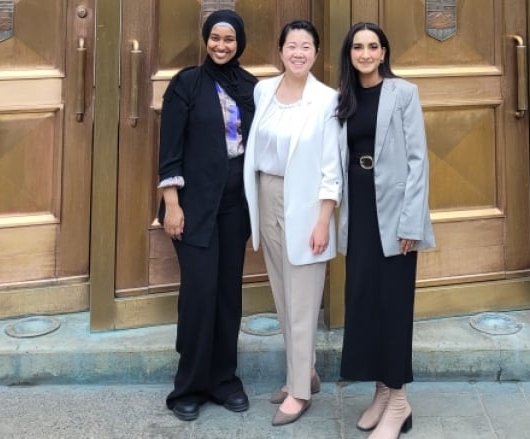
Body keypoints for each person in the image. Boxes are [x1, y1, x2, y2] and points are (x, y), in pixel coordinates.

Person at [335, 22, 436, 439]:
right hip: (357, 211)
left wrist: (412, 221)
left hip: (396, 214)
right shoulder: (342, 98)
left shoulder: (403, 93)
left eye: (372, 46)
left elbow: (418, 160)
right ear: (350, 53)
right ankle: (381, 391)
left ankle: (399, 401)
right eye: (357, 47)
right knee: (365, 303)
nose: (365, 53)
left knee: (393, 306)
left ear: (383, 52)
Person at [157, 9, 257, 422]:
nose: (221, 46)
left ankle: (224, 381)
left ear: (240, 43)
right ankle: (190, 386)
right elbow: (169, 148)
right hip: (194, 205)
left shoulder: (252, 87)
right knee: (199, 295)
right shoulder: (186, 84)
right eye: (215, 38)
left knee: (227, 294)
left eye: (229, 39)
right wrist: (172, 203)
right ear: (205, 39)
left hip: (235, 204)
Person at [242, 19, 342, 427]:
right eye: (291, 46)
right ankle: (303, 373)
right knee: (283, 296)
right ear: (280, 50)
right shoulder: (263, 89)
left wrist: (323, 220)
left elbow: (331, 168)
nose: (298, 53)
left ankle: (299, 393)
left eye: (306, 46)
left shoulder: (328, 100)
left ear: (316, 53)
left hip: (306, 203)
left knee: (302, 299)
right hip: (268, 194)